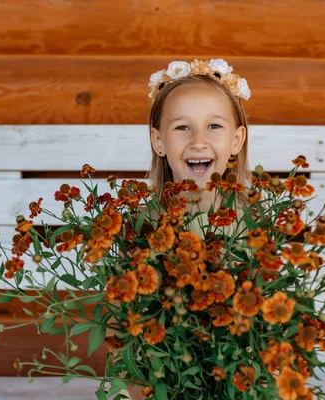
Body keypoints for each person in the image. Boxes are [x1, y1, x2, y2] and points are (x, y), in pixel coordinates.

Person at [107, 58, 252, 399]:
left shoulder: (255, 226)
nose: (199, 141)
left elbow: (269, 330)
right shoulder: (139, 226)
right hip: (158, 382)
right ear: (158, 141)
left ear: (236, 140)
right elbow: (119, 326)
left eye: (214, 126)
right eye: (182, 127)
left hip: (236, 382)